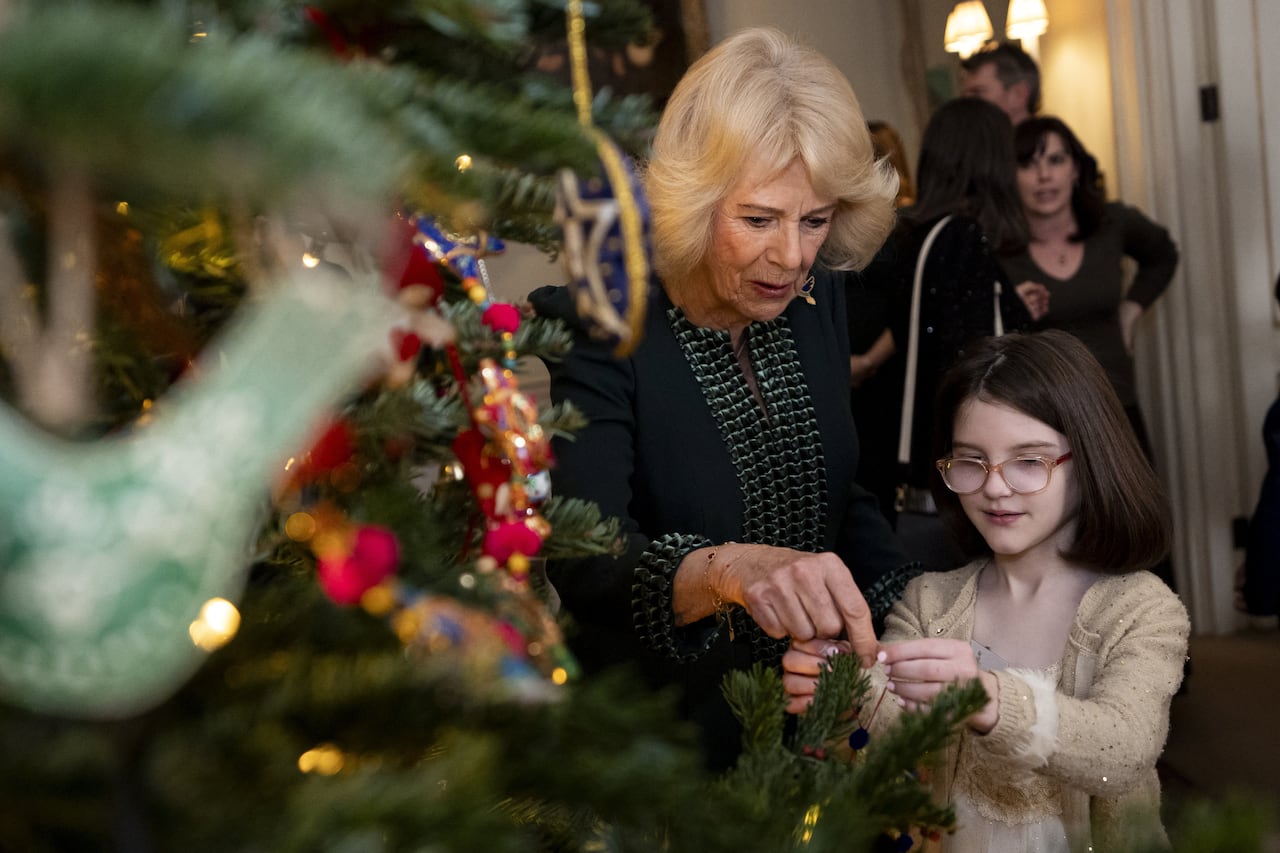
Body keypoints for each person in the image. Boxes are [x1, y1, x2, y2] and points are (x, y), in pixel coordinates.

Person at [529, 27, 920, 770]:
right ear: (693, 201)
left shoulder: (815, 297)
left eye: (815, 219)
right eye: (759, 219)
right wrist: (729, 570)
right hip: (664, 746)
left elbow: (841, 493)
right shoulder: (601, 320)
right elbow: (585, 556)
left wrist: (919, 604)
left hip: (814, 728)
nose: (793, 255)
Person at [784, 330, 1190, 852]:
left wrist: (987, 696)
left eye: (1029, 461)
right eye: (971, 461)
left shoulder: (1141, 609)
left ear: (1089, 460)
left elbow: (1124, 750)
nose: (995, 487)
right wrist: (847, 687)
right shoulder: (929, 602)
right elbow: (898, 742)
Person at [851, 97, 1038, 567]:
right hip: (965, 493)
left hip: (921, 480)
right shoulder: (962, 240)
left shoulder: (921, 236)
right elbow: (976, 369)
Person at [1001, 117, 1178, 505]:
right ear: (1010, 176)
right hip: (1041, 422)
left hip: (1116, 409)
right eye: (1028, 164)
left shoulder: (1111, 223)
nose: (1044, 176)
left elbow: (1163, 254)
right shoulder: (999, 246)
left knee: (1137, 534)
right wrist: (1012, 310)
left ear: (1076, 169)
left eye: (1056, 160)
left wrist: (1132, 309)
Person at [959, 41, 1040, 126]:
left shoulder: (1049, 138)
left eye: (977, 93)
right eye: (964, 96)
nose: (965, 105)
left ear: (1018, 94)